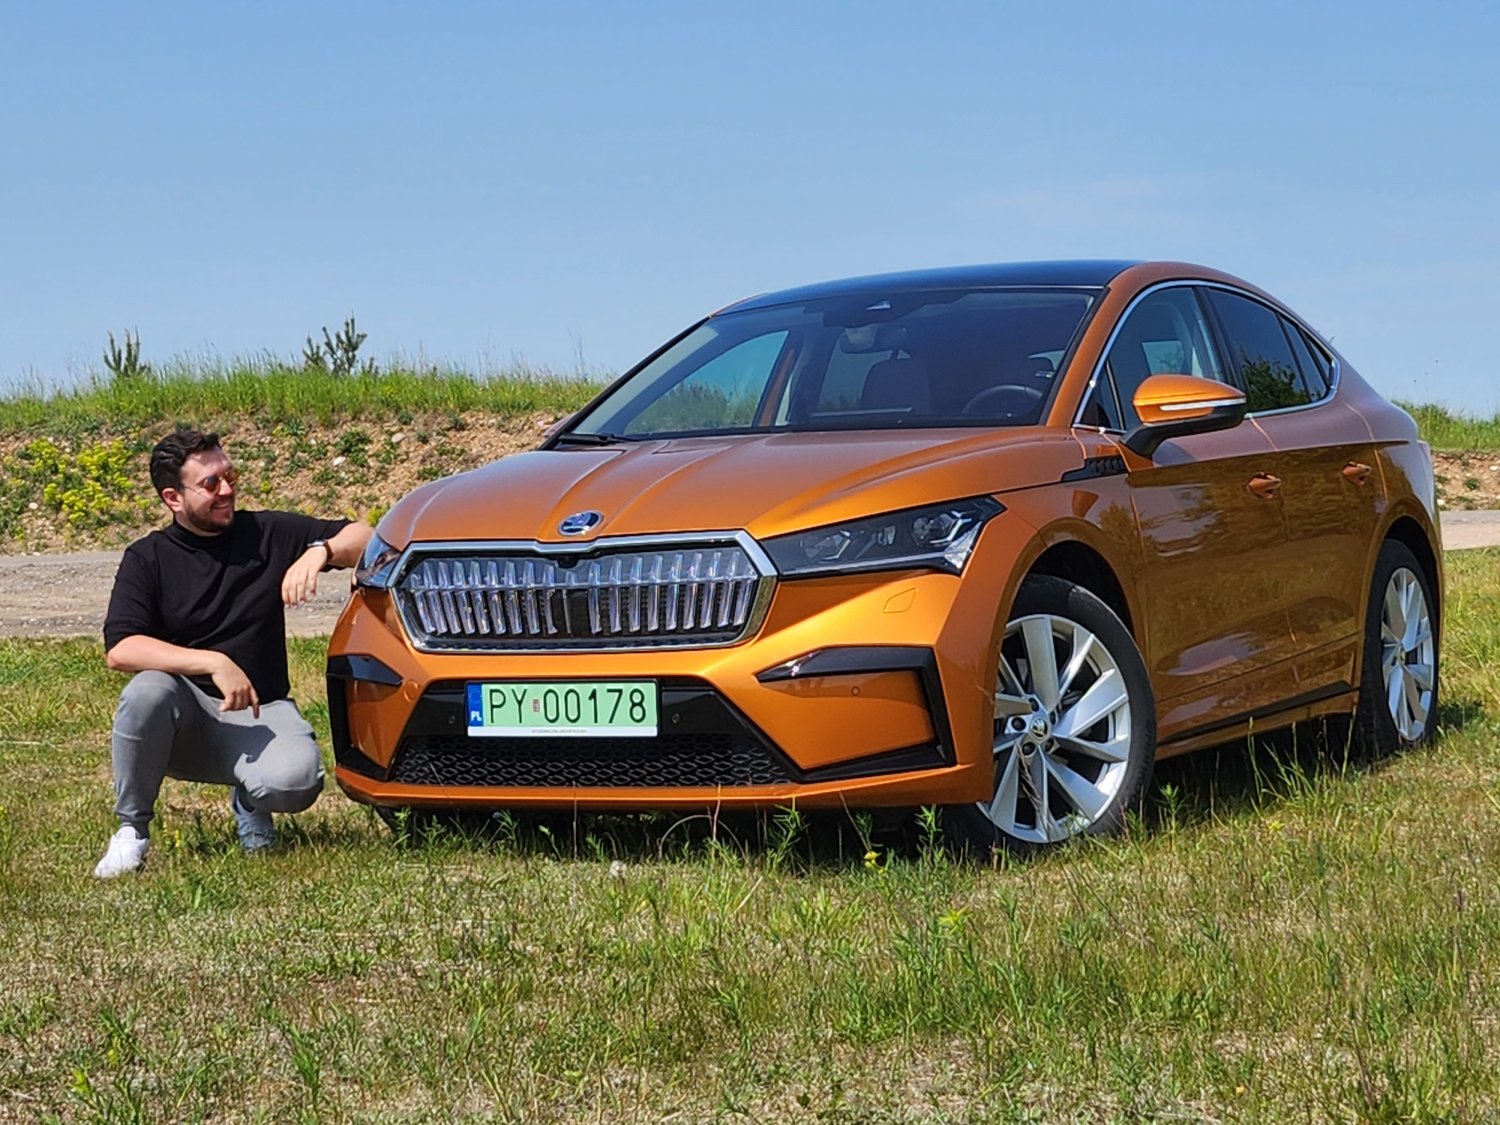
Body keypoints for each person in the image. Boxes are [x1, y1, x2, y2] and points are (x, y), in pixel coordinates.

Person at [93, 428, 373, 877]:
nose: (226, 490)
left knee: (297, 782)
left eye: (230, 475)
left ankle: (250, 799)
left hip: (261, 712)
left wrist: (318, 552)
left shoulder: (267, 533)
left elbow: (368, 536)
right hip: (184, 722)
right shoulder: (149, 558)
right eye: (210, 484)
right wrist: (212, 662)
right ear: (173, 498)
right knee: (147, 691)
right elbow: (122, 648)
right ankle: (132, 832)